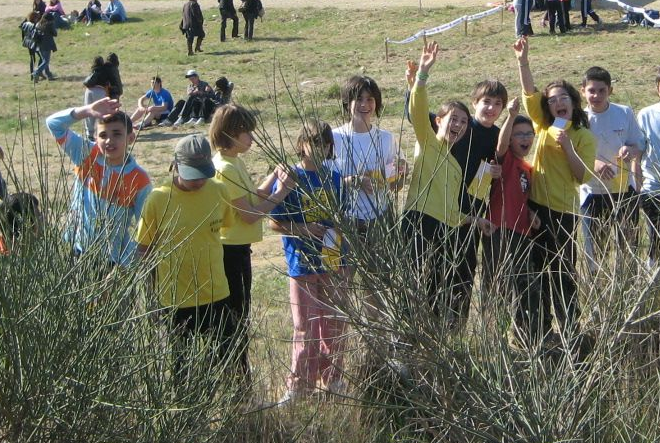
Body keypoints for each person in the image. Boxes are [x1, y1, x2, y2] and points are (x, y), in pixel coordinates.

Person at [402, 43, 495, 321]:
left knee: (434, 291)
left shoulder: (456, 167)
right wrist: (422, 75)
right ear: (439, 121)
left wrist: (475, 220)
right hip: (417, 223)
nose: (459, 125)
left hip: (444, 230)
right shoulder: (427, 140)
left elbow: (452, 212)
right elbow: (418, 110)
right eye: (453, 119)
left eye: (464, 122)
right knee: (412, 290)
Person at [513, 37, 596, 342]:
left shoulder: (583, 136)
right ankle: (540, 331)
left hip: (563, 213)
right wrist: (523, 60)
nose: (557, 103)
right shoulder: (542, 126)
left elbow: (581, 177)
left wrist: (568, 148)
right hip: (534, 209)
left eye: (563, 98)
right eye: (552, 100)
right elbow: (529, 92)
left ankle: (570, 330)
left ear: (573, 101)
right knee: (534, 271)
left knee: (562, 274)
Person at [136, 135, 237, 374]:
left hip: (216, 294)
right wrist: (151, 298)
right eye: (193, 174)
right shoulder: (158, 199)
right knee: (181, 368)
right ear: (176, 165)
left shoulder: (219, 191)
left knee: (223, 361)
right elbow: (144, 250)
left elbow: (223, 230)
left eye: (204, 173)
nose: (199, 181)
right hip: (175, 300)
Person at [210, 104, 294, 380]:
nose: (251, 138)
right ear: (231, 133)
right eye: (246, 132)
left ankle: (237, 378)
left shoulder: (233, 162)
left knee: (237, 317)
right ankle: (237, 381)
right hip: (230, 252)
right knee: (234, 320)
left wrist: (273, 177)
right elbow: (247, 214)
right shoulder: (226, 168)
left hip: (237, 249)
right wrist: (281, 192)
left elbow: (251, 195)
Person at [270, 120, 347, 403]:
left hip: (330, 259)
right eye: (313, 142)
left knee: (333, 323)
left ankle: (334, 379)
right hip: (301, 262)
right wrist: (303, 229)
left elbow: (342, 220)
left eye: (324, 144)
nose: (318, 148)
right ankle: (298, 385)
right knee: (305, 324)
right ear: (301, 144)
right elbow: (274, 223)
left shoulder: (334, 178)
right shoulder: (292, 179)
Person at [46, 97, 152, 267]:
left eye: (117, 134)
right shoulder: (87, 154)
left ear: (130, 138)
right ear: (95, 137)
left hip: (110, 260)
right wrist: (87, 111)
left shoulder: (139, 179)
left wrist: (126, 264)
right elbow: (53, 124)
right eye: (103, 135)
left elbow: (145, 229)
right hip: (74, 247)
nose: (109, 140)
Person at [481, 99, 542, 343]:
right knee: (497, 284)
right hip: (499, 229)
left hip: (522, 233)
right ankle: (491, 335)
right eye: (519, 134)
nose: (525, 139)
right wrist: (511, 116)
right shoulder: (504, 160)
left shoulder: (527, 167)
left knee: (522, 285)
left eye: (529, 134)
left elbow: (521, 196)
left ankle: (519, 336)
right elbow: (501, 144)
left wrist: (530, 213)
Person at [579, 66, 644, 275]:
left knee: (629, 250)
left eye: (601, 90)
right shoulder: (578, 119)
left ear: (610, 91)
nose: (596, 95)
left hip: (625, 191)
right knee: (596, 253)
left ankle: (629, 294)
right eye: (591, 90)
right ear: (582, 91)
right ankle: (598, 294)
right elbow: (572, 151)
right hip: (593, 194)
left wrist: (630, 149)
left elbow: (640, 144)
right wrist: (595, 164)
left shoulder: (624, 112)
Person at [638, 69, 660, 268]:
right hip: (654, 188)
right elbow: (639, 149)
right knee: (656, 237)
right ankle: (652, 282)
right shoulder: (646, 114)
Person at [31, 12, 57, 83]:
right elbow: (55, 34)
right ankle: (36, 72)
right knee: (46, 61)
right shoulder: (49, 25)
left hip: (39, 45)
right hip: (47, 45)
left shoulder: (38, 24)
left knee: (44, 61)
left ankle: (49, 75)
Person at [20, 11, 42, 78]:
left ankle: (32, 76)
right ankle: (38, 72)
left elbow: (23, 34)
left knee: (32, 59)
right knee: (42, 58)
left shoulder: (25, 24)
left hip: (28, 43)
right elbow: (35, 35)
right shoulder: (34, 25)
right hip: (34, 43)